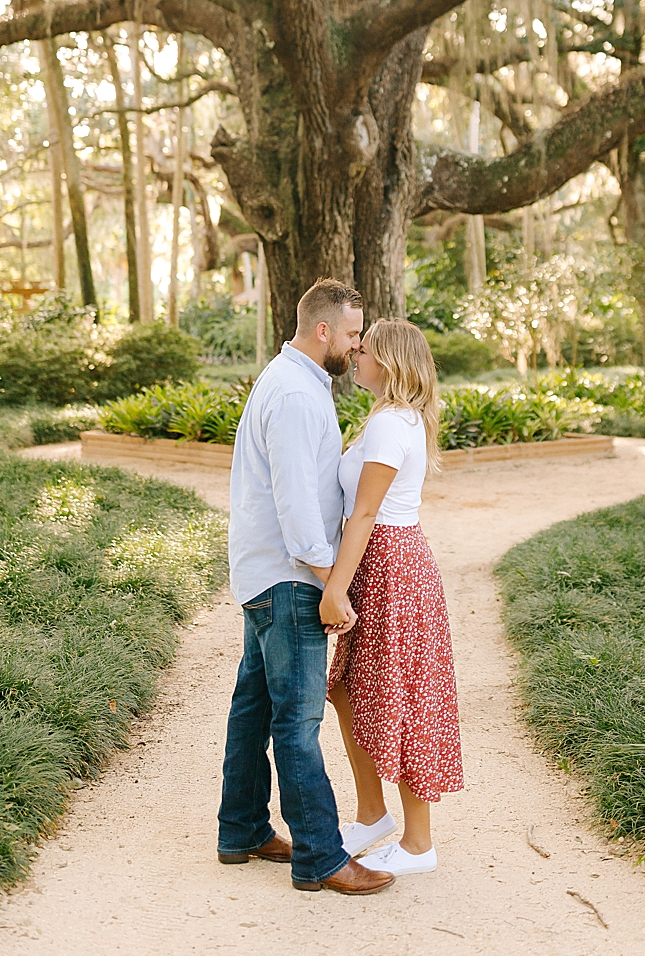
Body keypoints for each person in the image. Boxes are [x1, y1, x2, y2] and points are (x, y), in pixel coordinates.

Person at [216, 277, 395, 895]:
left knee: (255, 705)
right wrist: (331, 583)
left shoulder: (292, 380)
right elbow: (297, 507)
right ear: (323, 330)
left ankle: (240, 828)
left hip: (264, 570)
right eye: (351, 333)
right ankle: (320, 855)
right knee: (297, 719)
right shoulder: (295, 394)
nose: (356, 343)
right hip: (290, 577)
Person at [324, 318, 465, 874]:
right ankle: (373, 814)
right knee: (349, 691)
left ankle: (418, 843)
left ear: (389, 362)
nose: (355, 354)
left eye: (366, 349)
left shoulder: (390, 425)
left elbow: (364, 514)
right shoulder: (390, 418)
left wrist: (335, 588)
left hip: (390, 563)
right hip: (387, 562)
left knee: (402, 697)